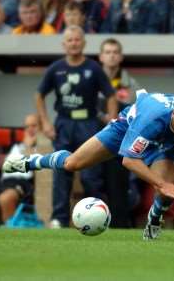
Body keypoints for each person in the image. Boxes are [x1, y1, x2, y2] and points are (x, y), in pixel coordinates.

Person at [3, 92, 174, 239]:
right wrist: (159, 182)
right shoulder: (154, 119)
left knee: (169, 189)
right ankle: (30, 162)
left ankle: (153, 222)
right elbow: (129, 160)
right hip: (126, 129)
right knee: (73, 163)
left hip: (163, 145)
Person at [33, 25, 118, 228]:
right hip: (64, 123)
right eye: (69, 40)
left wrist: (113, 122)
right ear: (64, 44)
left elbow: (111, 95)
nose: (73, 43)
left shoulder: (93, 68)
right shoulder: (55, 68)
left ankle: (99, 218)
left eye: (77, 40)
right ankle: (59, 219)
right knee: (61, 171)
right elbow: (39, 95)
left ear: (84, 43)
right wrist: (45, 121)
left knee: (92, 174)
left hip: (88, 124)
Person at [98, 37, 141, 227]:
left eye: (115, 52)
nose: (111, 56)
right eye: (107, 52)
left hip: (120, 144)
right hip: (95, 139)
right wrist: (102, 117)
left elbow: (139, 111)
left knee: (119, 190)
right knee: (94, 185)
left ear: (121, 56)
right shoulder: (93, 78)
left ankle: (120, 226)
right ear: (101, 56)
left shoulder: (131, 85)